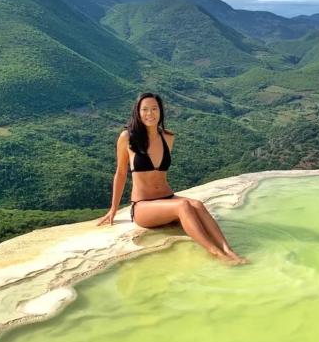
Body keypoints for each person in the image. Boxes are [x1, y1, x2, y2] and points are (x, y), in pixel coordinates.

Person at [97, 92, 248, 265]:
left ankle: (229, 251)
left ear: (160, 111)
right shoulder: (127, 137)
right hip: (143, 206)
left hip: (167, 198)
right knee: (183, 205)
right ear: (137, 112)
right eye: (145, 109)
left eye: (154, 109)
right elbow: (121, 173)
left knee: (197, 205)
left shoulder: (168, 137)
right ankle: (217, 254)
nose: (150, 113)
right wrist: (113, 209)